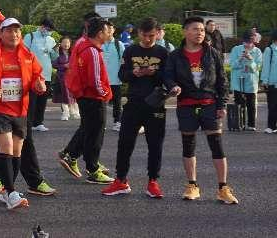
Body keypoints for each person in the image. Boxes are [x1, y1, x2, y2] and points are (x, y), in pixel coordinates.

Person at [0, 0, 56, 199]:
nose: (13, 34)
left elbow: (37, 77)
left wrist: (39, 85)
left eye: (16, 30)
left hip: (20, 108)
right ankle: (2, 184)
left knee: (20, 147)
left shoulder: (25, 53)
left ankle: (29, 182)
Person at [163, 16, 238, 204]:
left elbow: (222, 81)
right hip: (186, 104)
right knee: (188, 145)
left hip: (209, 104)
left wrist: (222, 105)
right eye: (195, 29)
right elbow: (168, 76)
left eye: (202, 30)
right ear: (185, 32)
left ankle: (223, 188)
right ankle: (192, 186)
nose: (200, 33)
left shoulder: (213, 53)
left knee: (217, 145)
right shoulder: (175, 56)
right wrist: (173, 86)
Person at [101, 18, 170, 198]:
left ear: (157, 33)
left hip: (156, 104)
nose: (147, 39)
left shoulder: (163, 52)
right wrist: (134, 72)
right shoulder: (130, 50)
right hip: (133, 102)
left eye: (151, 36)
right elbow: (122, 75)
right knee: (125, 143)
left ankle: (153, 181)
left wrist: (155, 73)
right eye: (144, 35)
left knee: (155, 144)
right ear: (138, 33)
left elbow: (169, 77)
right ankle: (121, 180)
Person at [58, 17, 115, 185]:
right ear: (99, 33)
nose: (110, 33)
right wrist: (106, 94)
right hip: (93, 97)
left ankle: (71, 155)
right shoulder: (93, 51)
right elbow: (95, 81)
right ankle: (92, 168)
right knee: (95, 134)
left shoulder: (82, 44)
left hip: (84, 95)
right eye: (107, 31)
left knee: (88, 129)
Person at [23, 17, 56, 132]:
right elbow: (23, 53)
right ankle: (29, 123)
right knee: (32, 100)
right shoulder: (30, 37)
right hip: (33, 74)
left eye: (51, 30)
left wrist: (53, 51)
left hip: (46, 73)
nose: (49, 32)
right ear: (42, 26)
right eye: (48, 29)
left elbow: (55, 57)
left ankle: (39, 122)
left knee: (42, 100)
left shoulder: (51, 39)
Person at [229, 30, 262, 131]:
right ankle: (240, 124)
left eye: (250, 42)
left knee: (251, 104)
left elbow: (257, 68)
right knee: (239, 103)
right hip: (238, 81)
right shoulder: (236, 49)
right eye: (246, 42)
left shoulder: (257, 51)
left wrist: (250, 59)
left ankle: (251, 124)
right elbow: (232, 65)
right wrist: (240, 59)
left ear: (253, 41)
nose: (247, 44)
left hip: (251, 82)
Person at [102, 29, 124, 132]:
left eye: (110, 29)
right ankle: (102, 123)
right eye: (107, 29)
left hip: (115, 79)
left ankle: (117, 122)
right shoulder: (99, 43)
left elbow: (124, 60)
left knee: (117, 103)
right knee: (101, 103)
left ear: (113, 30)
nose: (109, 31)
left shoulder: (118, 44)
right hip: (102, 80)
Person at [52, 37, 79, 121]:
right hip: (62, 78)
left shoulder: (73, 53)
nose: (66, 44)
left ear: (70, 44)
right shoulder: (57, 53)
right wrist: (64, 66)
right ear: (61, 44)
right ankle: (65, 113)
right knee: (64, 96)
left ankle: (75, 112)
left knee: (73, 95)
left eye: (68, 42)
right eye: (64, 42)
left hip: (72, 77)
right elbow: (54, 64)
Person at [262, 29, 277, 134]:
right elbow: (266, 66)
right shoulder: (269, 50)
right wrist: (265, 80)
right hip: (272, 83)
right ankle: (270, 126)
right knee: (272, 105)